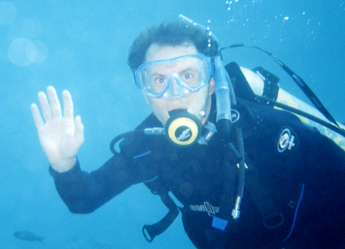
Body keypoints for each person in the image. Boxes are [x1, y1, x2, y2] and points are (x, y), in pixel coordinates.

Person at [31, 21, 345, 248]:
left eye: (188, 75)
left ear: (211, 83)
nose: (175, 92)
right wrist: (64, 162)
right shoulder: (147, 148)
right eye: (157, 80)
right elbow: (84, 199)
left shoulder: (266, 128)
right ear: (145, 94)